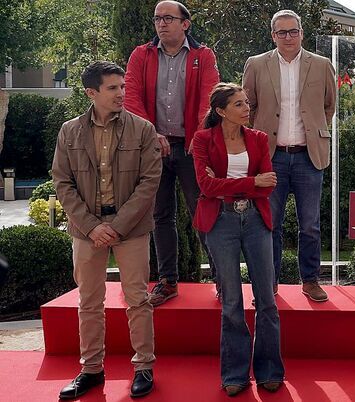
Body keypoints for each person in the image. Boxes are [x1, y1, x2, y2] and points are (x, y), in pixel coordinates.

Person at [52, 61, 161, 399]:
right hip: (87, 231)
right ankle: (91, 370)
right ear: (91, 92)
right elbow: (62, 182)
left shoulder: (142, 129)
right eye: (113, 88)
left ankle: (143, 367)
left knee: (138, 299)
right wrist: (92, 226)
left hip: (130, 228)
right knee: (88, 301)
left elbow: (149, 182)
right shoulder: (69, 131)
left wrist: (115, 226)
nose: (121, 93)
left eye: (123, 86)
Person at [125, 0, 221, 305]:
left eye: (168, 18)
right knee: (160, 216)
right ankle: (167, 281)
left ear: (185, 24)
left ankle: (222, 278)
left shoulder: (202, 56)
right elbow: (131, 97)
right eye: (157, 19)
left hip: (192, 147)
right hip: (154, 148)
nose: (161, 23)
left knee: (202, 213)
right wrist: (152, 133)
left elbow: (210, 97)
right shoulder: (142, 55)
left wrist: (199, 138)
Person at [191, 83, 284, 396]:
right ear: (221, 111)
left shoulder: (257, 138)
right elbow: (205, 186)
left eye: (247, 103)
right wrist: (251, 182)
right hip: (220, 222)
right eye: (240, 104)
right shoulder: (203, 139)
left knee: (267, 301)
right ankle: (234, 374)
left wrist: (231, 184)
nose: (247, 109)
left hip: (256, 220)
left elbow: (268, 185)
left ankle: (270, 370)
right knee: (231, 302)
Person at [243, 9, 337, 302]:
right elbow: (247, 107)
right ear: (272, 35)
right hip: (270, 158)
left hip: (309, 156)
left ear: (301, 33)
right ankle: (268, 284)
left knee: (310, 224)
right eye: (281, 32)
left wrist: (312, 132)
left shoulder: (321, 65)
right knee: (269, 223)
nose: (288, 37)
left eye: (292, 31)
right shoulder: (256, 64)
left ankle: (310, 280)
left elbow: (328, 107)